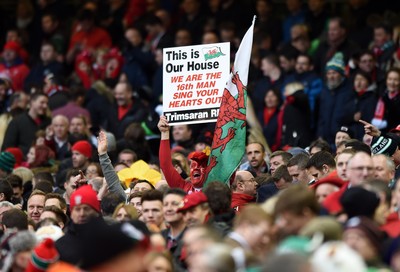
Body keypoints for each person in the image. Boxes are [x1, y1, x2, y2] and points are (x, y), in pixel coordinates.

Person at [158, 116, 209, 193]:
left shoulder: (216, 188)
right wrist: (165, 132)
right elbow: (165, 165)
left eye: (201, 165)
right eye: (193, 165)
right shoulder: (182, 187)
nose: (196, 169)